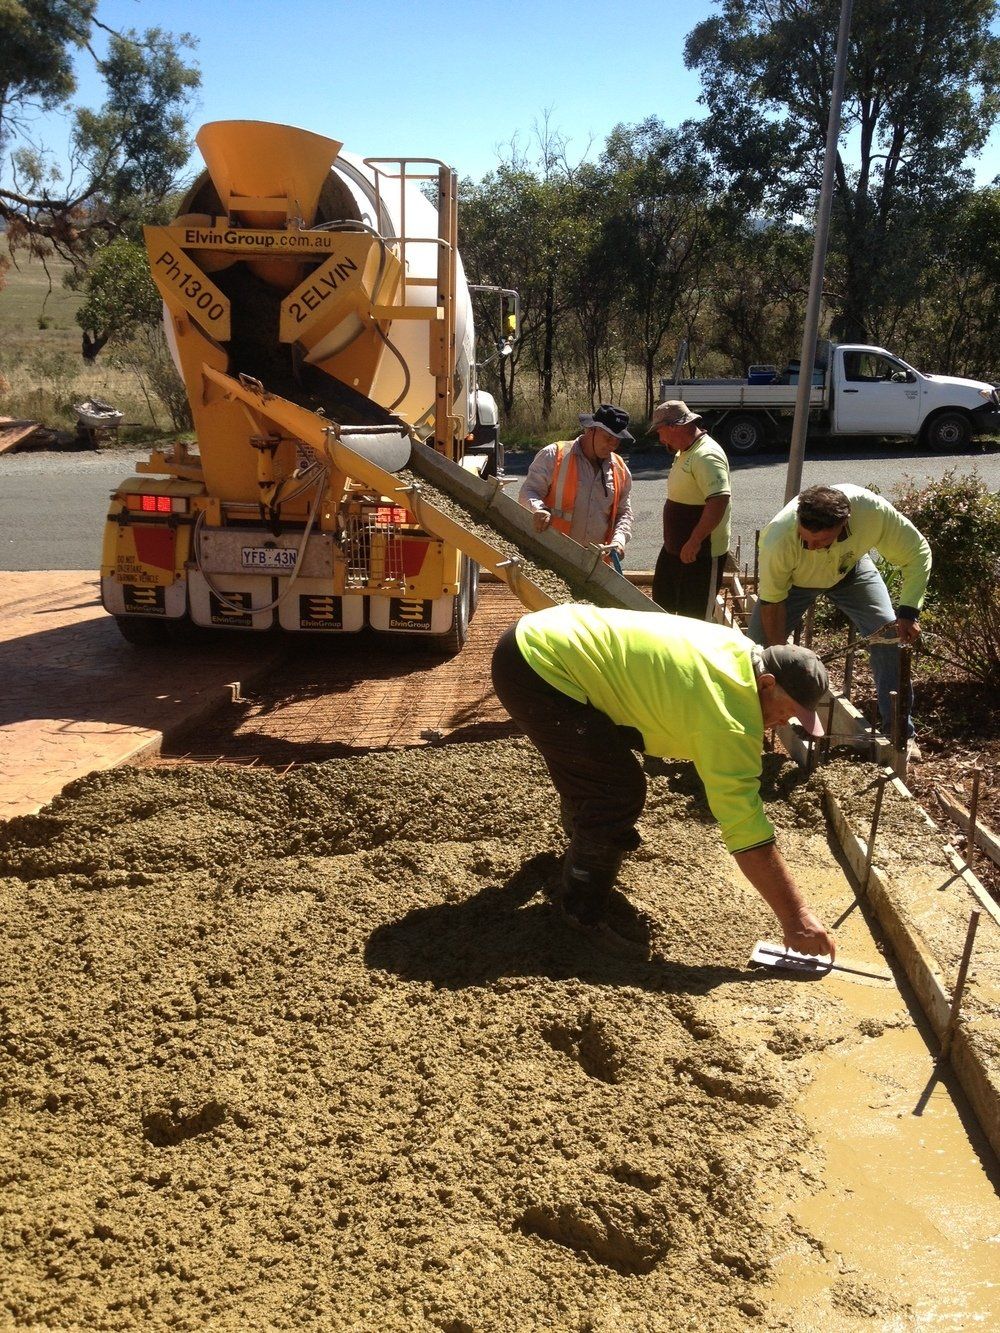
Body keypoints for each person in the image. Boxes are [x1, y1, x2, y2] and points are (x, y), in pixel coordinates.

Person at [491, 602, 836, 959]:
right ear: (766, 684)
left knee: (596, 763)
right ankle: (580, 911)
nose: (783, 723)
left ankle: (581, 860)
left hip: (543, 636)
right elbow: (745, 827)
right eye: (788, 711)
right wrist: (796, 917)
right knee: (615, 790)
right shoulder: (729, 715)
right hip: (538, 668)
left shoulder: (738, 652)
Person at [748, 484, 931, 760]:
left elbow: (917, 552)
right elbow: (773, 603)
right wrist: (782, 665)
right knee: (756, 654)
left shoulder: (871, 511)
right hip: (794, 583)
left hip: (850, 573)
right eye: (805, 539)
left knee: (890, 637)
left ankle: (900, 735)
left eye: (821, 541)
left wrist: (908, 612)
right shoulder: (779, 538)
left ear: (844, 523)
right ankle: (748, 727)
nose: (811, 546)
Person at [518, 403, 634, 566]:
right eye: (608, 438)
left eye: (617, 441)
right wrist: (538, 509)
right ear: (590, 430)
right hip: (552, 555)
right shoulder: (553, 455)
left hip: (596, 563)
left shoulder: (620, 468)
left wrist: (619, 540)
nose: (612, 446)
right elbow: (529, 491)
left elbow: (624, 513)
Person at [648, 399, 731, 619]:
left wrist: (695, 541)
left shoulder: (706, 456)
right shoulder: (685, 451)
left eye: (660, 432)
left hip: (700, 554)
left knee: (694, 617)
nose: (660, 438)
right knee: (663, 607)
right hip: (677, 549)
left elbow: (719, 500)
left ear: (674, 427)